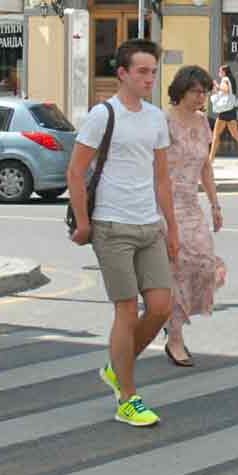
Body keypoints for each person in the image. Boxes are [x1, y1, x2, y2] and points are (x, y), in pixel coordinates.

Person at [67, 38, 180, 428]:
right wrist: (84, 222)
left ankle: (118, 366)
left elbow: (162, 178)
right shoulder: (102, 115)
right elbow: (76, 172)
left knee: (163, 307)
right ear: (123, 74)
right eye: (142, 71)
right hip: (112, 226)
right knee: (127, 312)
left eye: (153, 71)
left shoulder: (155, 118)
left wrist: (172, 227)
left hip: (149, 224)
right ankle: (127, 398)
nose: (150, 78)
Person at [163, 66, 229, 367]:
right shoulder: (163, 121)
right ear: (182, 90)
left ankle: (165, 318)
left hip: (191, 204)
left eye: (205, 91)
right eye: (196, 91)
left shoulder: (203, 122)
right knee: (177, 268)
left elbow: (205, 166)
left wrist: (215, 205)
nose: (202, 96)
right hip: (164, 204)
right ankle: (174, 337)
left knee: (202, 264)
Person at [209, 66, 238, 159]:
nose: (218, 72)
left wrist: (216, 85)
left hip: (224, 111)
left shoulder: (225, 79)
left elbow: (225, 90)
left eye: (220, 71)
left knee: (215, 135)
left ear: (224, 72)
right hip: (231, 110)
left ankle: (211, 158)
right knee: (235, 134)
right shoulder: (231, 80)